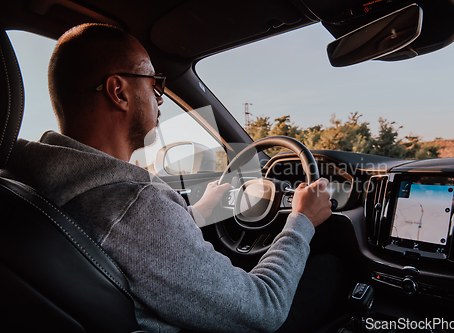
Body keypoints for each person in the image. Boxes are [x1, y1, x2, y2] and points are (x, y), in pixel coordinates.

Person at [3, 23, 342, 332]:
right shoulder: (135, 205)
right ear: (118, 92)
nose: (160, 97)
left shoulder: (28, 178)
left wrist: (196, 215)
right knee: (330, 266)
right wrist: (301, 220)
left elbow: (127, 245)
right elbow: (264, 308)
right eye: (154, 83)